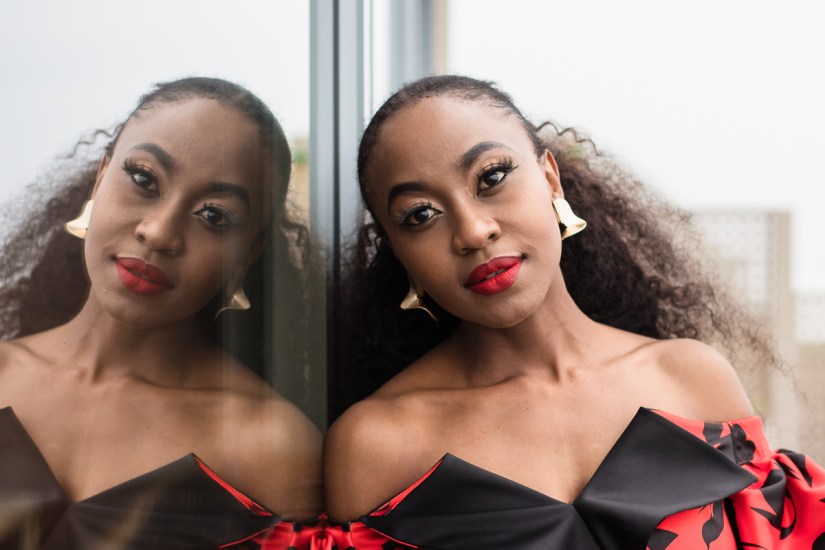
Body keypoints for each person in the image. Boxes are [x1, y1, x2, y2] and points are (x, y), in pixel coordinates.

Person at [323, 75, 825, 548]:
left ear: (550, 180)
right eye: (421, 215)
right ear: (398, 252)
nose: (473, 231)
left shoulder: (691, 379)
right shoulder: (376, 447)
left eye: (491, 177)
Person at [0, 77, 321, 549]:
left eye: (214, 215)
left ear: (248, 253)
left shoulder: (271, 445)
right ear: (100, 177)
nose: (159, 232)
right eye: (145, 180)